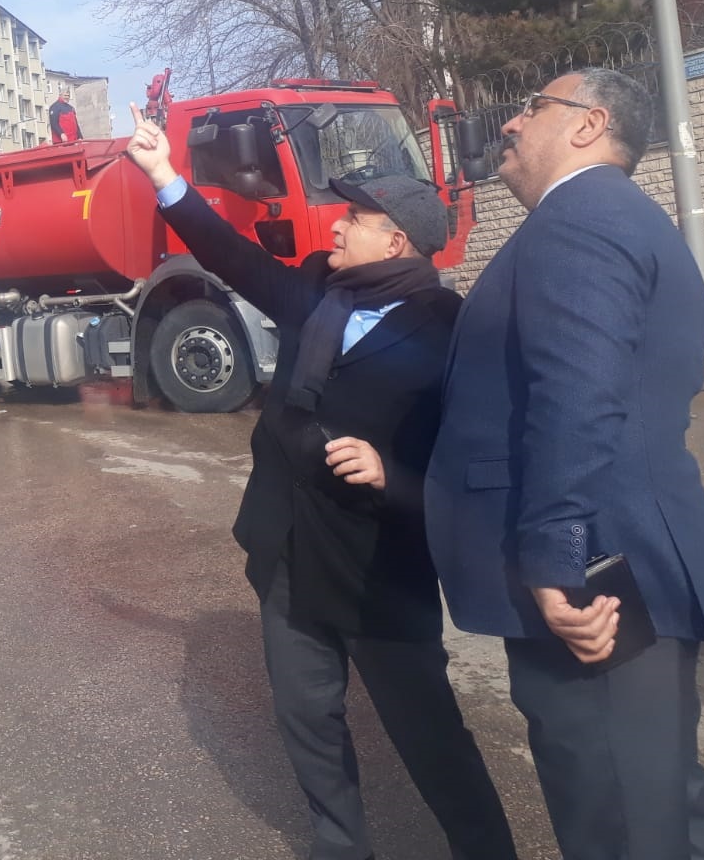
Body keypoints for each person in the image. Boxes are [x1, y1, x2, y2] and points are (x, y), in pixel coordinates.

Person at [125, 104, 515, 860]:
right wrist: (162, 175)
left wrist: (389, 474)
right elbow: (231, 258)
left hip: (378, 572)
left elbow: (471, 468)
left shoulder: (447, 329)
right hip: (291, 553)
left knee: (429, 736)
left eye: (354, 219)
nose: (335, 226)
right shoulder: (319, 294)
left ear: (396, 240)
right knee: (307, 721)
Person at [427, 69, 704, 860]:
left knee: (619, 825)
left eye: (532, 107)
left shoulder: (583, 218)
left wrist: (560, 560)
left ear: (588, 125)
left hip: (597, 581)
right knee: (662, 806)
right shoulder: (608, 217)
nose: (510, 124)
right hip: (621, 560)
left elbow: (579, 394)